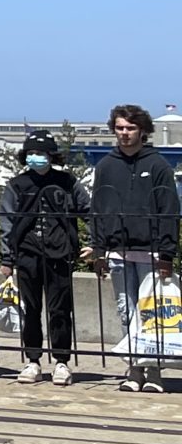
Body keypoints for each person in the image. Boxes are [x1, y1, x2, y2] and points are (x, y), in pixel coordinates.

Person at [86, 104, 177, 387]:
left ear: (142, 131)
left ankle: (154, 372)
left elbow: (169, 209)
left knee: (152, 314)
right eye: (120, 128)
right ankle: (134, 369)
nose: (124, 133)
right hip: (118, 252)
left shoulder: (158, 165)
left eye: (130, 128)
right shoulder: (105, 166)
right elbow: (98, 209)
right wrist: (98, 250)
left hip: (151, 253)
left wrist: (167, 254)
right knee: (127, 312)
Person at [1, 130, 88, 385]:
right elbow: (7, 221)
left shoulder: (67, 182)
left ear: (51, 155)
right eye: (31, 153)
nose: (35, 157)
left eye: (40, 153)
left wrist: (94, 244)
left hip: (59, 253)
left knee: (60, 308)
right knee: (31, 309)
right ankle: (33, 360)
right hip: (28, 254)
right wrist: (7, 257)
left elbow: (87, 210)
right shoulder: (17, 185)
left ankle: (61, 360)